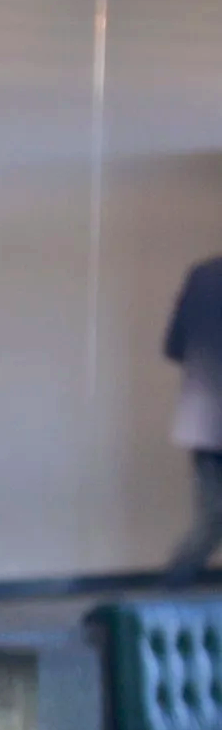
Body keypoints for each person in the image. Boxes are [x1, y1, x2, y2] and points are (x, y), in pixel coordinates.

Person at [161, 251, 222, 587]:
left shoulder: (202, 274)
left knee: (211, 519)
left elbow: (173, 346)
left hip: (203, 420)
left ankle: (168, 593)